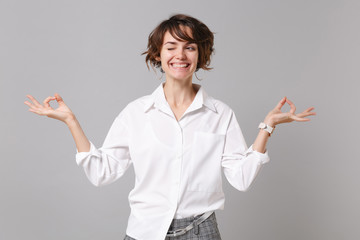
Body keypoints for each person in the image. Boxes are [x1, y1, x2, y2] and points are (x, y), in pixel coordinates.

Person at [24, 14, 316, 240]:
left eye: (190, 47)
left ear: (201, 55)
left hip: (202, 231)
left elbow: (241, 178)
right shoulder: (136, 113)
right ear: (157, 54)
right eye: (171, 46)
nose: (181, 55)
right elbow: (102, 172)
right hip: (145, 231)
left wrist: (267, 127)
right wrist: (71, 122)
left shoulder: (220, 113)